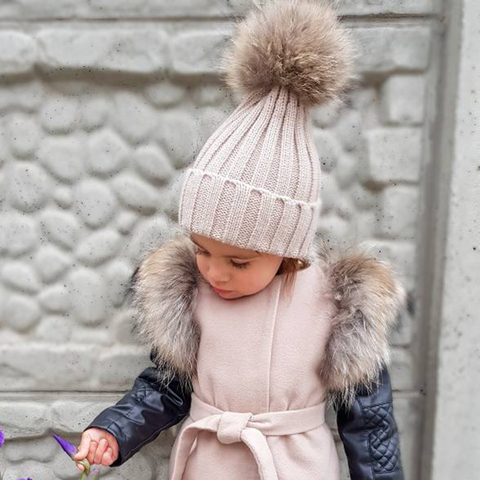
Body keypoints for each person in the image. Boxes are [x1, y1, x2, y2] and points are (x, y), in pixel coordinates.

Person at [74, 1, 407, 478]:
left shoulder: (339, 305)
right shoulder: (190, 292)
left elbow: (368, 422)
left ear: (288, 250)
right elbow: (167, 388)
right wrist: (113, 430)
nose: (214, 271)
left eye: (239, 260)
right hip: (207, 465)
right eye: (202, 249)